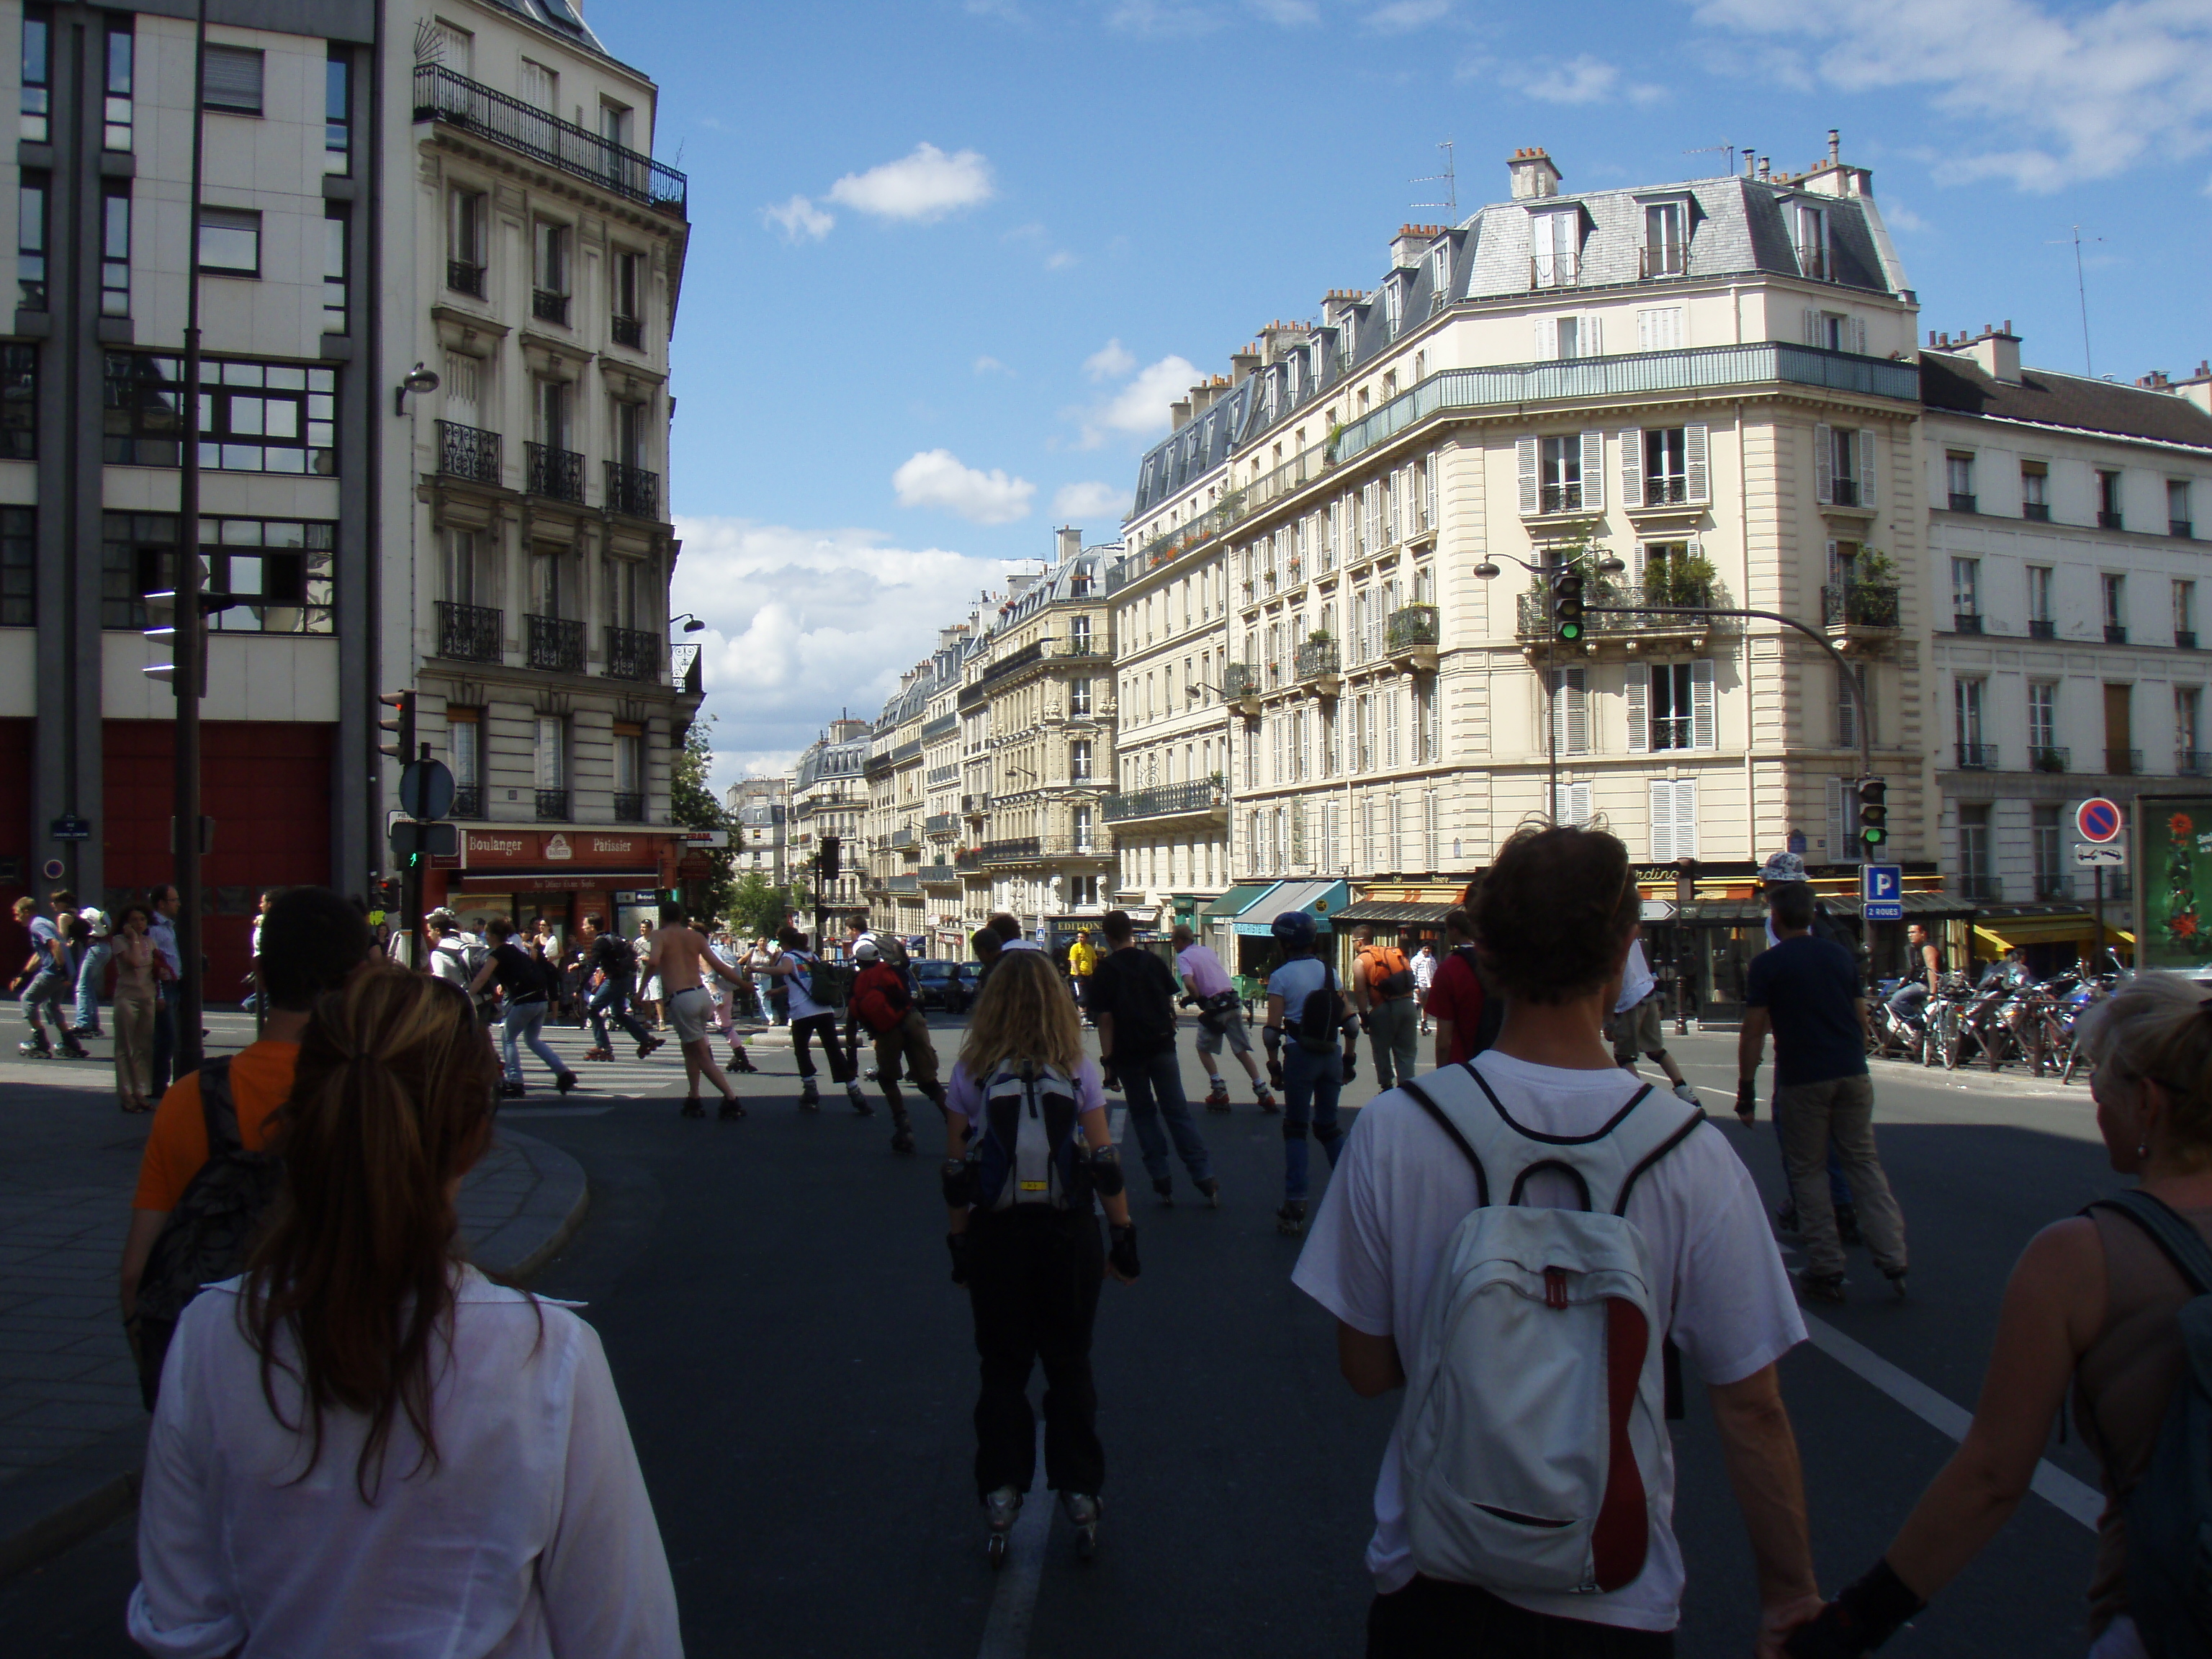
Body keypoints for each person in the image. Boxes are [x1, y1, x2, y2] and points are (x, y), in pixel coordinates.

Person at [1292, 824, 1822, 1658]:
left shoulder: (1397, 1129)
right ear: (1624, 955)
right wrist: (1790, 1592)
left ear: (1488, 956)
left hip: (1433, 1582)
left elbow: (1364, 1369)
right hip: (1613, 1592)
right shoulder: (1688, 1151)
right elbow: (1751, 1407)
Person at [127, 963, 680, 1656]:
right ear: (477, 1138)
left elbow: (182, 1622)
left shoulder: (213, 1333)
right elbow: (626, 1633)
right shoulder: (546, 1353)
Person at [1781, 972, 2212, 1659]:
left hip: (2165, 1618)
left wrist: (1848, 1626)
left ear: (2150, 1104)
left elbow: (1992, 1477)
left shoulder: (2081, 1258)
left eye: (2102, 1080)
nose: (2095, 1097)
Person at [119, 888, 376, 1374]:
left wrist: (163, 1383)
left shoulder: (190, 1099)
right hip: (340, 1365)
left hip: (218, 1366)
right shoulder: (375, 1090)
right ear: (361, 977)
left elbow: (136, 1273)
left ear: (259, 975)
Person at [943, 947, 1138, 1565]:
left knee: (1002, 1368)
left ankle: (1001, 1490)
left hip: (998, 1236)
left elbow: (956, 1171)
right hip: (1067, 1231)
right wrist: (1123, 1237)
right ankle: (1080, 1490)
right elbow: (1104, 1161)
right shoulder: (1074, 1064)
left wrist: (960, 1243)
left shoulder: (972, 1069)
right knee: (1069, 1363)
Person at [1740, 881, 1909, 1303]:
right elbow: (1860, 1016)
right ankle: (1893, 1256)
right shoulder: (1839, 957)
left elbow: (1753, 1032)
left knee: (1809, 1171)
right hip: (1851, 1071)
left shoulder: (1767, 965)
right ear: (1813, 915)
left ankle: (1826, 1266)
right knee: (1864, 1164)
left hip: (1803, 1076)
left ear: (1776, 921)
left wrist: (1746, 1090)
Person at [1088, 909, 1218, 1206]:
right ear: (1131, 932)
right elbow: (1168, 1002)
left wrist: (1109, 1066)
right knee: (1177, 1112)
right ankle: (1204, 1177)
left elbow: (1105, 1021)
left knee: (1144, 1115)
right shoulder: (1153, 961)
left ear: (1108, 937)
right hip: (1161, 1047)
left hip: (1129, 1053)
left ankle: (1162, 1180)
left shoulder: (1106, 971)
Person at [1262, 909, 1360, 1237]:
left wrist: (1274, 1065)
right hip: (1331, 1053)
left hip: (1300, 1055)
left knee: (1296, 1129)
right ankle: (1357, 1192)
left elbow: (1272, 1031)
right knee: (1329, 1127)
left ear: (1284, 942)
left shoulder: (1281, 977)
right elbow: (1352, 1023)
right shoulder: (1329, 973)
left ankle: (1296, 1203)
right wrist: (1348, 1059)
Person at [645, 898, 751, 1120]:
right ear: (681, 917)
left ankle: (731, 1098)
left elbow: (653, 961)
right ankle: (693, 1096)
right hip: (702, 994)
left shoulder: (659, 936)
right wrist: (743, 985)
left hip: (681, 997)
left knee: (701, 1054)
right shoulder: (696, 936)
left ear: (661, 918)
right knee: (690, 1048)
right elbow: (720, 966)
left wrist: (640, 990)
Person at [761, 924, 871, 1115]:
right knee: (834, 1050)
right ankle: (854, 1091)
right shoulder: (812, 956)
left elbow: (783, 971)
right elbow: (805, 982)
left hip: (802, 1013)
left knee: (802, 1050)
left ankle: (810, 1088)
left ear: (784, 942)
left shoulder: (788, 957)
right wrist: (779, 990)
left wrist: (757, 968)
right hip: (823, 1009)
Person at [1172, 922, 1279, 1113]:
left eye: (1174, 942)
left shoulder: (1184, 957)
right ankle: (1263, 1091)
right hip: (1231, 1000)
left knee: (1203, 1048)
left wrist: (1200, 1001)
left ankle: (1219, 1089)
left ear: (1180, 941)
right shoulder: (1206, 950)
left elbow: (1189, 982)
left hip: (1215, 1006)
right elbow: (1211, 978)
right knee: (1240, 1050)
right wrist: (1192, 999)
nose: (1174, 946)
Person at [845, 937, 938, 1153]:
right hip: (912, 1021)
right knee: (930, 1083)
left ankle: (903, 1126)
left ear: (858, 962)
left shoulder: (858, 982)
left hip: (887, 1031)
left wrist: (852, 1056)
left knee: (887, 1079)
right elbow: (904, 968)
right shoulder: (893, 970)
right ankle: (957, 1127)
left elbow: (851, 1022)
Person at [469, 917, 578, 1100]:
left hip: (524, 1001)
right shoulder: (514, 950)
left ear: (494, 936)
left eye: (487, 933)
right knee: (532, 1040)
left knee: (508, 1038)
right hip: (540, 1000)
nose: (485, 937)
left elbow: (482, 977)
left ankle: (515, 1081)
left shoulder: (498, 953)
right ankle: (563, 1073)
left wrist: (466, 995)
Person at [1611, 936, 1703, 1107]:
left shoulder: (1609, 934)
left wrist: (1608, 1013)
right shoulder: (1629, 929)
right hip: (1646, 990)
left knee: (1624, 1056)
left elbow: (1615, 972)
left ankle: (1637, 1099)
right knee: (1656, 1050)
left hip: (1628, 999)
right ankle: (1684, 1090)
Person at [577, 913, 660, 1063]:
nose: (582, 928)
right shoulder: (611, 936)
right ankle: (645, 1039)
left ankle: (603, 1046)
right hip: (625, 978)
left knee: (593, 1009)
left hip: (614, 980)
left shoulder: (599, 942)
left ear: (592, 927)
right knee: (617, 1013)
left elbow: (592, 965)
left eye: (584, 925)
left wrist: (579, 988)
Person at [1425, 906, 1501, 1070]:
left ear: (1454, 930)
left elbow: (1444, 1040)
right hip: (1496, 1064)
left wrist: (1442, 1073)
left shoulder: (1449, 968)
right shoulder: (1498, 964)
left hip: (1460, 1066)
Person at [12, 890, 85, 1059]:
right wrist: (24, 974)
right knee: (51, 1006)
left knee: (28, 1000)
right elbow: (40, 954)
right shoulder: (44, 923)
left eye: (17, 914)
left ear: (26, 912)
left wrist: (61, 971)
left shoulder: (36, 925)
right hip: (66, 972)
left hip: (54, 972)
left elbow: (55, 945)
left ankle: (40, 1041)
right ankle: (70, 1042)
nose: (17, 919)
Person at [1350, 923, 1421, 1093]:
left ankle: (1387, 1086)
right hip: (1407, 1005)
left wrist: (1363, 1015)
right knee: (1406, 1052)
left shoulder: (1361, 960)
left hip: (1384, 1008)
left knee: (1381, 1050)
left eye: (1353, 941)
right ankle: (1406, 1088)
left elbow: (1360, 990)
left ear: (1360, 942)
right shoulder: (1394, 954)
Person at [109, 904, 158, 1114]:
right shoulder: (120, 941)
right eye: (134, 920)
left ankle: (142, 1091)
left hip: (148, 996)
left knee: (143, 1047)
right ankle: (126, 1093)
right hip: (127, 997)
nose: (139, 924)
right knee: (125, 1047)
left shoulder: (151, 941)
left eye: (142, 920)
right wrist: (134, 939)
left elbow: (155, 969)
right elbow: (135, 961)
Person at [148, 884, 182, 1094]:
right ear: (161, 904)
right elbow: (155, 963)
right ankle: (157, 1084)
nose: (178, 904)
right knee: (165, 1037)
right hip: (163, 988)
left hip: (174, 985)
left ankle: (160, 1082)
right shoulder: (155, 928)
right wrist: (159, 992)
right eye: (174, 900)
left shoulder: (168, 926)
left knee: (168, 1036)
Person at [73, 901, 113, 1038]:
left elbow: (103, 918)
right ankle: (93, 1024)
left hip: (97, 948)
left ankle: (83, 1024)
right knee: (88, 986)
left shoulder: (83, 914)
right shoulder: (88, 914)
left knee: (82, 986)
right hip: (104, 948)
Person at [1068, 927, 1097, 1019]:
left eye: (1082, 937)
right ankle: (1082, 1017)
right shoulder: (1075, 948)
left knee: (1088, 995)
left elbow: (1094, 960)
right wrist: (1078, 974)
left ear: (1087, 938)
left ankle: (1088, 1016)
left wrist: (1094, 972)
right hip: (1078, 976)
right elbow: (1073, 961)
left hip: (1088, 975)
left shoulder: (1089, 948)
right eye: (1079, 937)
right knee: (1082, 996)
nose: (1080, 939)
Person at [1411, 941, 1437, 1035]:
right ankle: (1410, 1023)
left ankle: (1424, 1023)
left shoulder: (1432, 959)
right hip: (1420, 985)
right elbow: (1413, 973)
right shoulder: (1416, 959)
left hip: (1429, 985)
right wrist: (1415, 985)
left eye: (1428, 949)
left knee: (1425, 1006)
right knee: (1416, 1004)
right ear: (1421, 949)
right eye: (1425, 948)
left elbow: (1435, 972)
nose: (1427, 950)